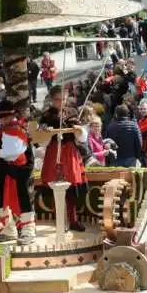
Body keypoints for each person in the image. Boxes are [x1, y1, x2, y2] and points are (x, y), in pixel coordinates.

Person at [0, 100, 36, 245]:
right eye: (1, 117)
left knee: (23, 201)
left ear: (13, 115)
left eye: (6, 116)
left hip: (20, 171)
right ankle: (9, 230)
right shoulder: (6, 129)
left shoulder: (16, 129)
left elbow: (12, 153)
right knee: (2, 201)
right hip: (6, 171)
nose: (3, 119)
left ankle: (28, 231)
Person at [38, 87, 87, 232]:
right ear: (53, 100)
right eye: (59, 99)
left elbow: (82, 137)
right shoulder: (46, 115)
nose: (62, 102)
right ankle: (60, 221)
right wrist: (46, 131)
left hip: (70, 151)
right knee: (55, 187)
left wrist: (79, 130)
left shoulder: (73, 112)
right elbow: (41, 141)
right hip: (54, 151)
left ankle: (73, 221)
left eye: (64, 98)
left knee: (71, 188)